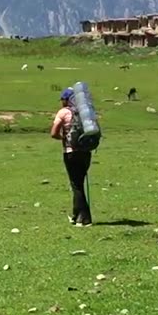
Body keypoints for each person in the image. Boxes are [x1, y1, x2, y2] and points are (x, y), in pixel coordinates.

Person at [50, 88, 92, 226]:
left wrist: (64, 137)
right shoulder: (85, 113)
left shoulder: (63, 112)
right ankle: (76, 215)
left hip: (71, 152)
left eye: (62, 99)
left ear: (66, 100)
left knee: (76, 185)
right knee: (79, 183)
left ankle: (85, 218)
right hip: (86, 152)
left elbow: (54, 133)